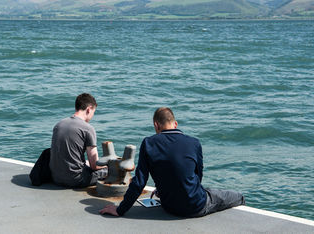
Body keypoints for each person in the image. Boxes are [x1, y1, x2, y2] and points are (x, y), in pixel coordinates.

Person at [100, 107, 245, 217]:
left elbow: (139, 182)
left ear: (156, 125)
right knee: (238, 196)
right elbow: (198, 176)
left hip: (169, 206)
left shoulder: (148, 143)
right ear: (175, 124)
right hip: (196, 205)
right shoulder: (194, 143)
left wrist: (120, 209)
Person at [49, 93, 107, 187]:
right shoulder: (88, 128)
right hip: (75, 180)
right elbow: (94, 165)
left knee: (86, 163)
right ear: (89, 109)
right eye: (93, 112)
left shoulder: (59, 124)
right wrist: (107, 165)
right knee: (111, 170)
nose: (92, 116)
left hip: (55, 177)